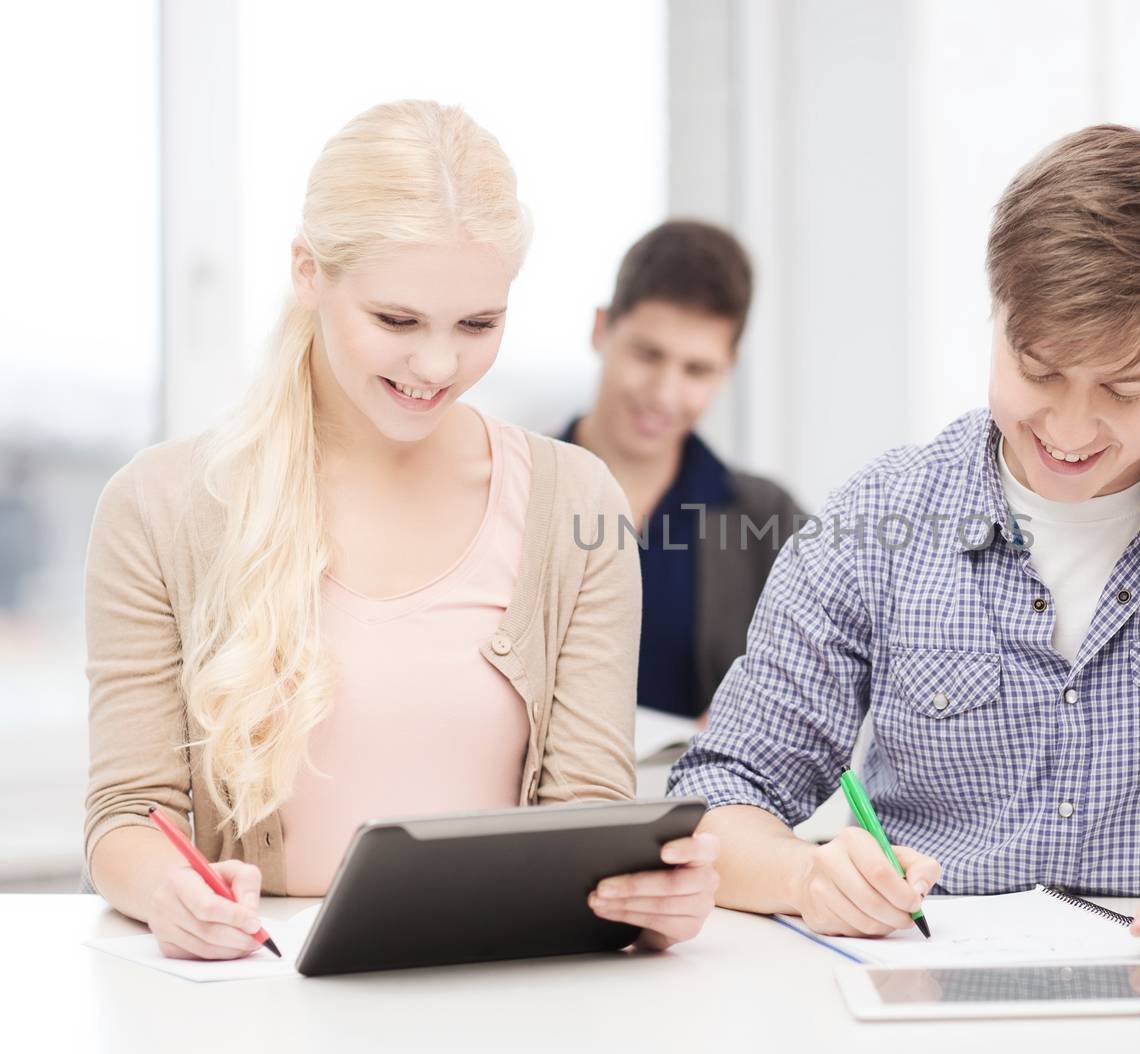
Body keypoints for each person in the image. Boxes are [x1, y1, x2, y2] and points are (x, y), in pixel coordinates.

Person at [669, 125, 1140, 968]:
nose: (1068, 429)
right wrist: (805, 877)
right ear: (995, 312)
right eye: (1037, 371)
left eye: (1124, 386)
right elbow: (717, 791)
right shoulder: (878, 519)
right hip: (929, 985)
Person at [82, 100, 718, 960]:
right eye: (397, 321)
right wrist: (172, 894)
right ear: (308, 272)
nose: (438, 366)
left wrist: (651, 899)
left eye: (478, 325)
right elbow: (127, 816)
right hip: (259, 992)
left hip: (507, 978)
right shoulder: (158, 507)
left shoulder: (576, 504)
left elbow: (589, 815)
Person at [562, 221, 804, 720]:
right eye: (648, 354)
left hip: (699, 797)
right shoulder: (509, 490)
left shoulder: (767, 517)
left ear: (728, 368)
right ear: (600, 329)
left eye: (697, 370)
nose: (665, 394)